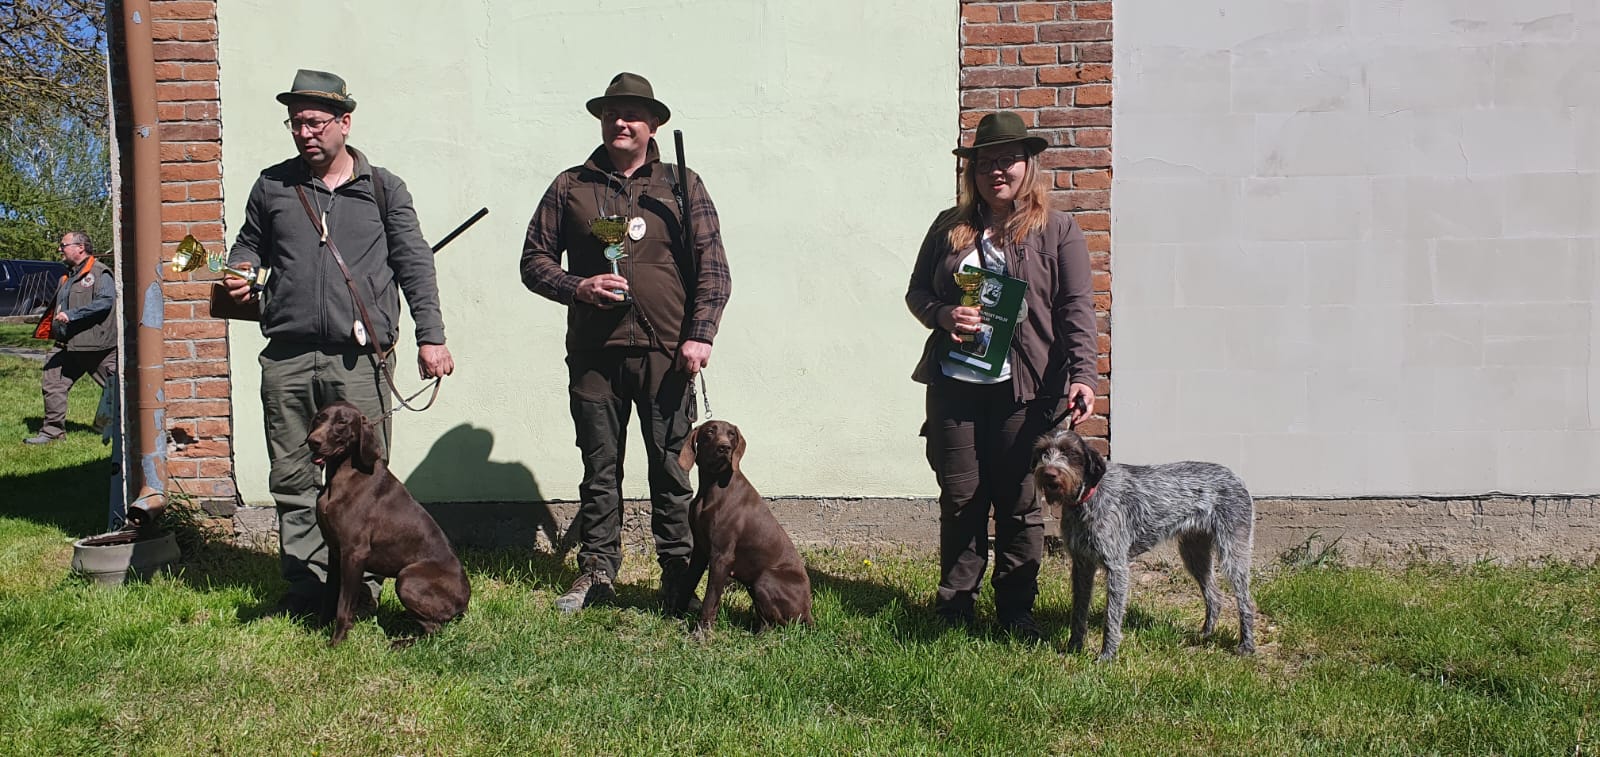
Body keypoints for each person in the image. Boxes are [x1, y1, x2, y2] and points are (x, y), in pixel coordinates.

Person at [226, 69, 455, 617]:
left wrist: (432, 337)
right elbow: (249, 243)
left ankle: (361, 591)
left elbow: (414, 263)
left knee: (364, 481)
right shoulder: (272, 186)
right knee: (291, 474)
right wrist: (240, 268)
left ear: (344, 123)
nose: (304, 132)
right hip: (288, 355)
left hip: (360, 361)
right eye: (295, 122)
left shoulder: (382, 188)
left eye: (315, 121)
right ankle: (309, 589)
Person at [521, 72, 730, 613]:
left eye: (634, 113)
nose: (622, 121)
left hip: (667, 354)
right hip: (595, 355)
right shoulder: (570, 186)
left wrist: (699, 335)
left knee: (670, 467)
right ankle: (597, 571)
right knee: (599, 466)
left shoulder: (683, 185)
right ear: (601, 119)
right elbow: (533, 263)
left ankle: (678, 572)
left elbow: (714, 270)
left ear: (653, 123)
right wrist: (577, 286)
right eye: (613, 112)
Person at [905, 111, 1098, 639]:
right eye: (986, 161)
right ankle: (955, 608)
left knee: (1016, 501)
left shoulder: (1057, 231)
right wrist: (944, 315)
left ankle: (1016, 611)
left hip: (1027, 392)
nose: (997, 171)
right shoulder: (949, 227)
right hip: (956, 388)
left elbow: (1077, 307)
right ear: (973, 171)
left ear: (1026, 166)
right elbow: (917, 293)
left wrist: (1083, 373)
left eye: (1007, 160)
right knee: (961, 498)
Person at [25, 232, 115, 445]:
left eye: (63, 245)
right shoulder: (67, 277)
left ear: (80, 247)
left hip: (97, 347)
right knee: (52, 382)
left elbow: (105, 302)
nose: (60, 249)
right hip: (67, 345)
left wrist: (73, 315)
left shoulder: (100, 273)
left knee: (119, 388)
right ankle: (52, 432)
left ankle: (133, 429)